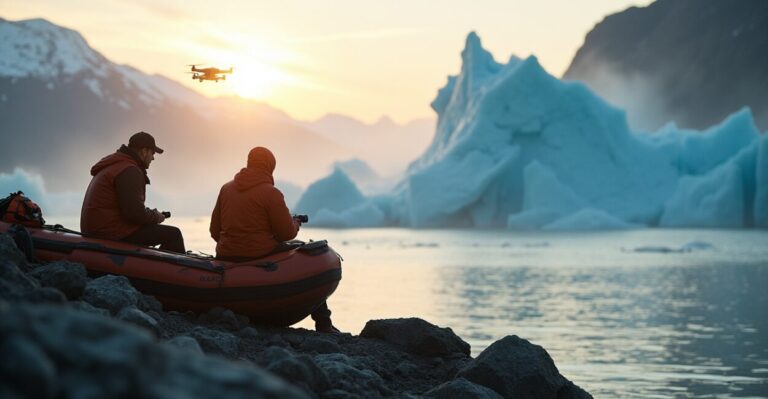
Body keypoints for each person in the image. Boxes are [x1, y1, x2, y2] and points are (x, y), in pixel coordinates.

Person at [210, 146, 339, 333]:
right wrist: (295, 223)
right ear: (270, 167)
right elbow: (286, 233)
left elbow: (214, 230)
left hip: (225, 254)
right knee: (308, 255)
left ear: (248, 162)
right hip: (258, 254)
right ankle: (324, 324)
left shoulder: (226, 189)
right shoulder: (271, 193)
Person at [81, 131, 185, 253]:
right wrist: (156, 217)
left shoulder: (116, 165)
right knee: (174, 234)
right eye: (152, 153)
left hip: (96, 231)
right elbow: (134, 213)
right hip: (111, 233)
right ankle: (177, 270)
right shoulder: (129, 170)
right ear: (144, 151)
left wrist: (151, 216)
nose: (153, 158)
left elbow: (130, 210)